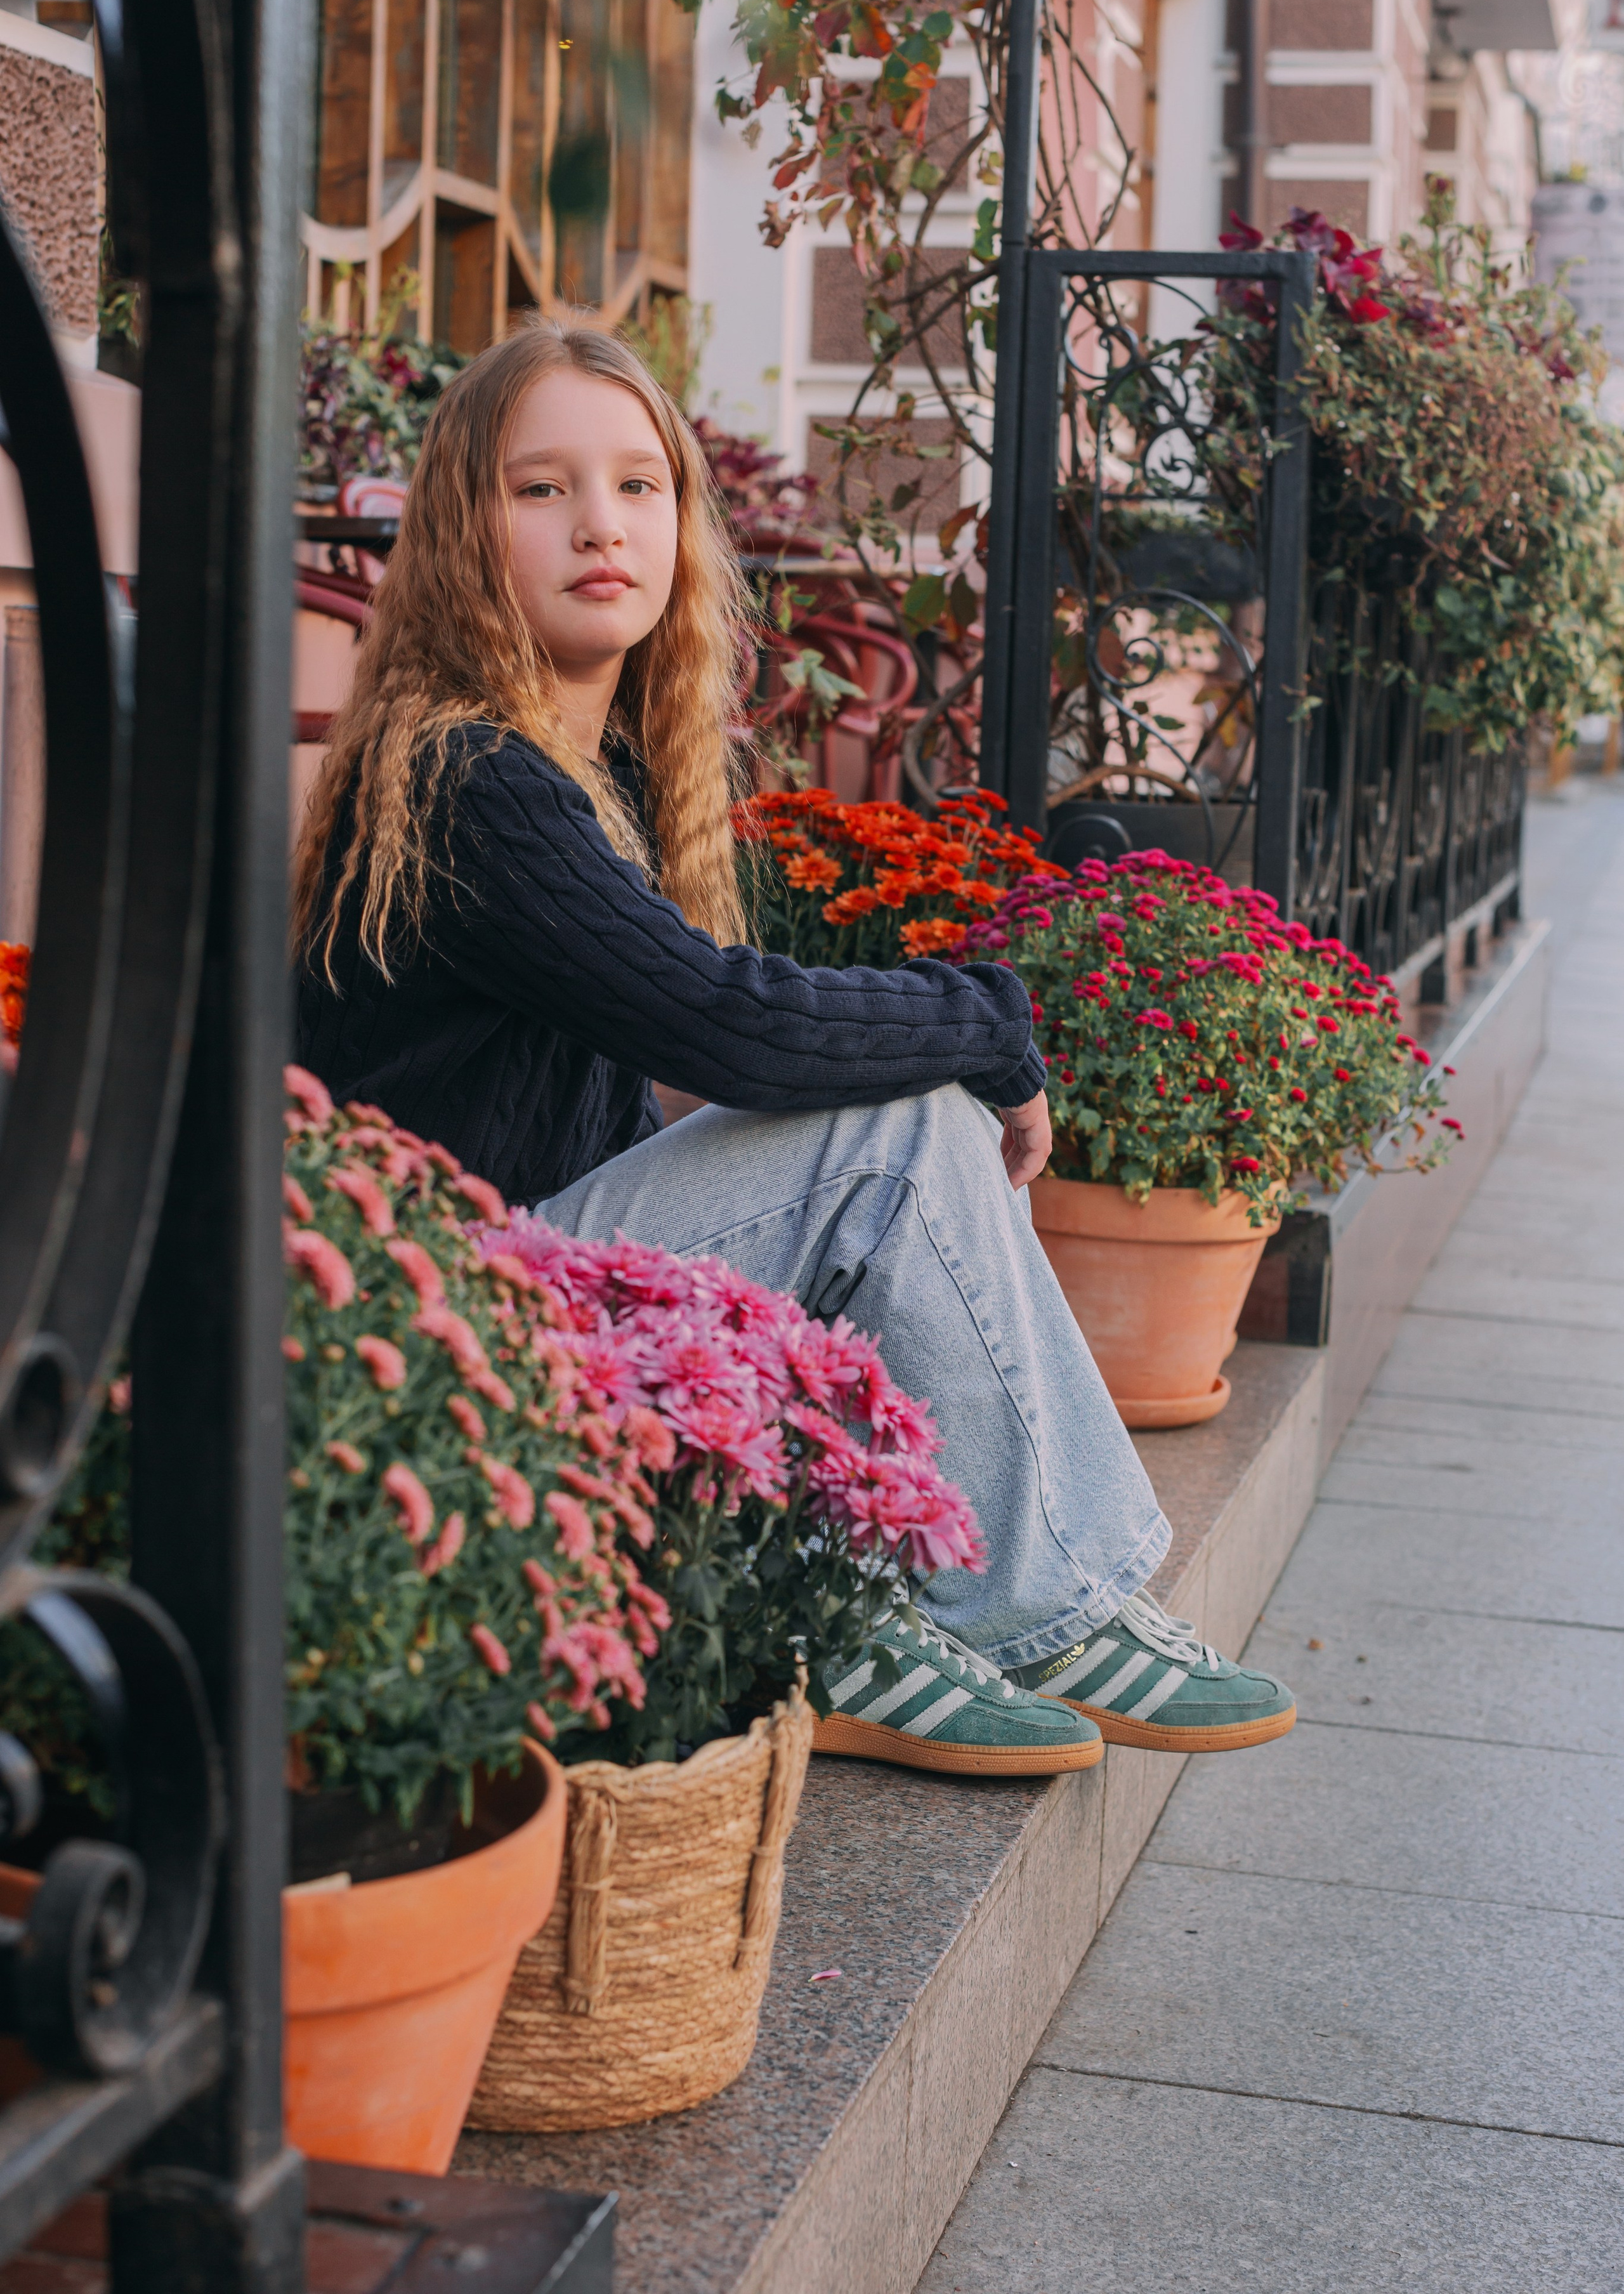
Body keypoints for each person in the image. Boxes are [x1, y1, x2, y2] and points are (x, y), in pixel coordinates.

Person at [293, 317, 1295, 1778]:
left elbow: (702, 1059)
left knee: (898, 1118)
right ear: (461, 530)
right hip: (449, 1333)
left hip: (537, 1284)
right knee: (891, 1124)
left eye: (641, 487)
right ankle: (1042, 1603)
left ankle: (860, 1594)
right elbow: (727, 1025)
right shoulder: (467, 778)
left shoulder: (595, 770)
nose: (601, 526)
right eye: (541, 489)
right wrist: (985, 1021)